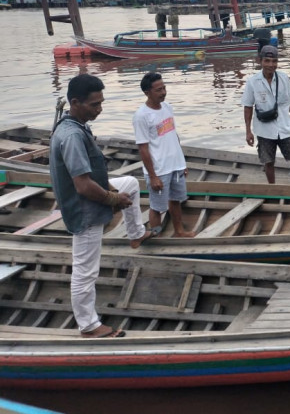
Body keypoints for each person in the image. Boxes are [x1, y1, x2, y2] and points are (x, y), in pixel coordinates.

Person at [50, 74, 158, 339]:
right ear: (75, 102)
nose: (99, 109)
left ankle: (135, 234)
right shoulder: (72, 136)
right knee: (86, 271)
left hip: (90, 196)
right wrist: (113, 199)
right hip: (83, 210)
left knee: (130, 183)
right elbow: (83, 186)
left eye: (101, 103)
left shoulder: (77, 123)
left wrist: (114, 191)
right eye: (94, 105)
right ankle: (88, 325)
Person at [133, 72, 195, 237]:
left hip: (175, 165)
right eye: (158, 90)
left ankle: (179, 231)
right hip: (159, 169)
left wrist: (182, 163)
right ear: (147, 92)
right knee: (157, 207)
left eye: (164, 88)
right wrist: (153, 176)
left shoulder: (167, 107)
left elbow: (173, 136)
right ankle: (156, 235)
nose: (163, 92)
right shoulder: (141, 116)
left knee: (176, 200)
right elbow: (143, 148)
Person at [242, 44, 290, 184]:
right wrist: (248, 131)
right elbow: (247, 107)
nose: (271, 65)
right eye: (267, 61)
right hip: (264, 130)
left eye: (274, 61)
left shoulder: (283, 78)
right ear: (260, 61)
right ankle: (272, 189)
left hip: (284, 127)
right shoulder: (252, 82)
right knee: (268, 162)